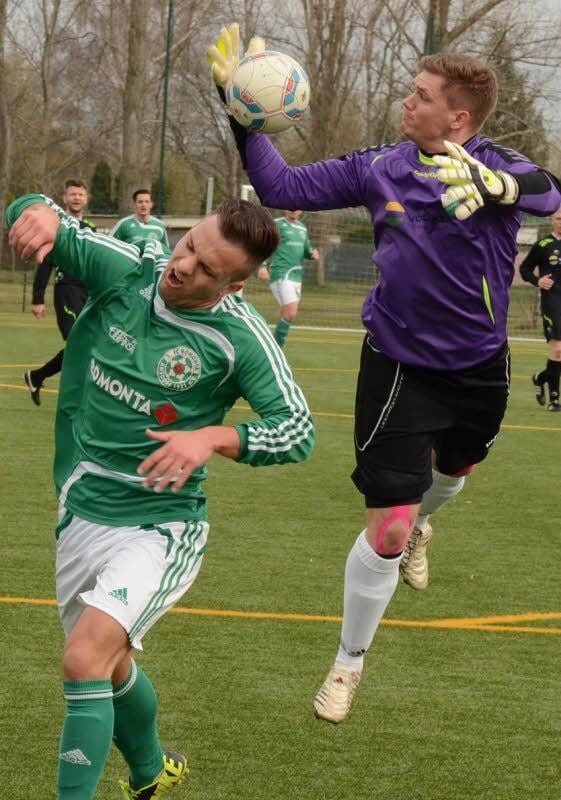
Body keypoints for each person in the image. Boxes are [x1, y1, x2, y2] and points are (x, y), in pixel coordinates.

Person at [208, 24, 561, 723]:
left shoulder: (493, 164)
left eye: (421, 95)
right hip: (397, 365)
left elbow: (547, 192)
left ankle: (426, 521)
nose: (407, 101)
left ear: (456, 118)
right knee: (388, 529)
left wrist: (493, 184)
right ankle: (347, 664)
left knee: (453, 478)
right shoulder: (381, 167)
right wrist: (241, 112)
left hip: (481, 368)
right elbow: (277, 183)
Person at [6, 192, 315, 799]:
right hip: (81, 504)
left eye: (206, 269)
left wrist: (213, 438)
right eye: (190, 244)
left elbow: (297, 428)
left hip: (160, 525)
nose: (183, 266)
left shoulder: (240, 338)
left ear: (231, 286)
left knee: (82, 661)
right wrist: (34, 209)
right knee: (109, 666)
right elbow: (44, 213)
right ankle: (150, 772)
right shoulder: (126, 269)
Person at [24, 179, 96, 406]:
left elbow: (95, 264)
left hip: (88, 294)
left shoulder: (91, 228)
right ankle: (80, 396)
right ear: (65, 198)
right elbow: (45, 262)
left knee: (88, 343)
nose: (76, 198)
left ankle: (37, 376)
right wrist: (37, 298)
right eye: (72, 194)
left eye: (80, 195)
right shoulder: (57, 225)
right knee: (79, 341)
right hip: (66, 291)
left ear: (87, 199)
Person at [519, 206, 561, 411]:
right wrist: (538, 281)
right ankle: (554, 400)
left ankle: (540, 378)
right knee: (558, 349)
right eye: (559, 218)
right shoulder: (544, 245)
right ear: (552, 220)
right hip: (552, 301)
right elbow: (524, 268)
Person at [257, 210, 319, 348]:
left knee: (285, 312)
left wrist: (312, 253)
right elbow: (266, 245)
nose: (293, 210)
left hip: (296, 275)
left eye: (296, 207)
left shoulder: (302, 227)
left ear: (301, 210)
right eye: (290, 207)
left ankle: (265, 343)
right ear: (285, 208)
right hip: (282, 273)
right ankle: (278, 349)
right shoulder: (277, 224)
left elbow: (307, 250)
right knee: (291, 312)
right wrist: (262, 265)